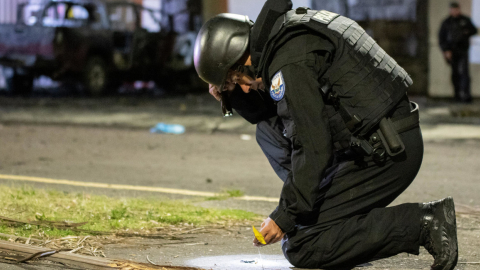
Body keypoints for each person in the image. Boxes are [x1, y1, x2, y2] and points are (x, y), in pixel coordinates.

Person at [194, 2, 458, 269]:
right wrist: (231, 94)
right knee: (268, 133)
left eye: (236, 79)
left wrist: (284, 216)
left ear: (238, 56)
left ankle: (424, 224)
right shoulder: (286, 35)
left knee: (303, 244)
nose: (243, 89)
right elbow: (273, 111)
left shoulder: (289, 62)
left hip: (386, 151)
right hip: (382, 140)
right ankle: (341, 227)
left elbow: (312, 146)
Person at [439, 2, 478, 103]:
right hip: (452, 51)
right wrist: (446, 50)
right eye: (452, 9)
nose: (454, 11)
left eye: (456, 9)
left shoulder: (465, 20)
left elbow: (474, 30)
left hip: (463, 50)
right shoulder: (447, 22)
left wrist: (466, 32)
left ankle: (466, 95)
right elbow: (441, 38)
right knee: (455, 73)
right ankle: (457, 95)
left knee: (464, 73)